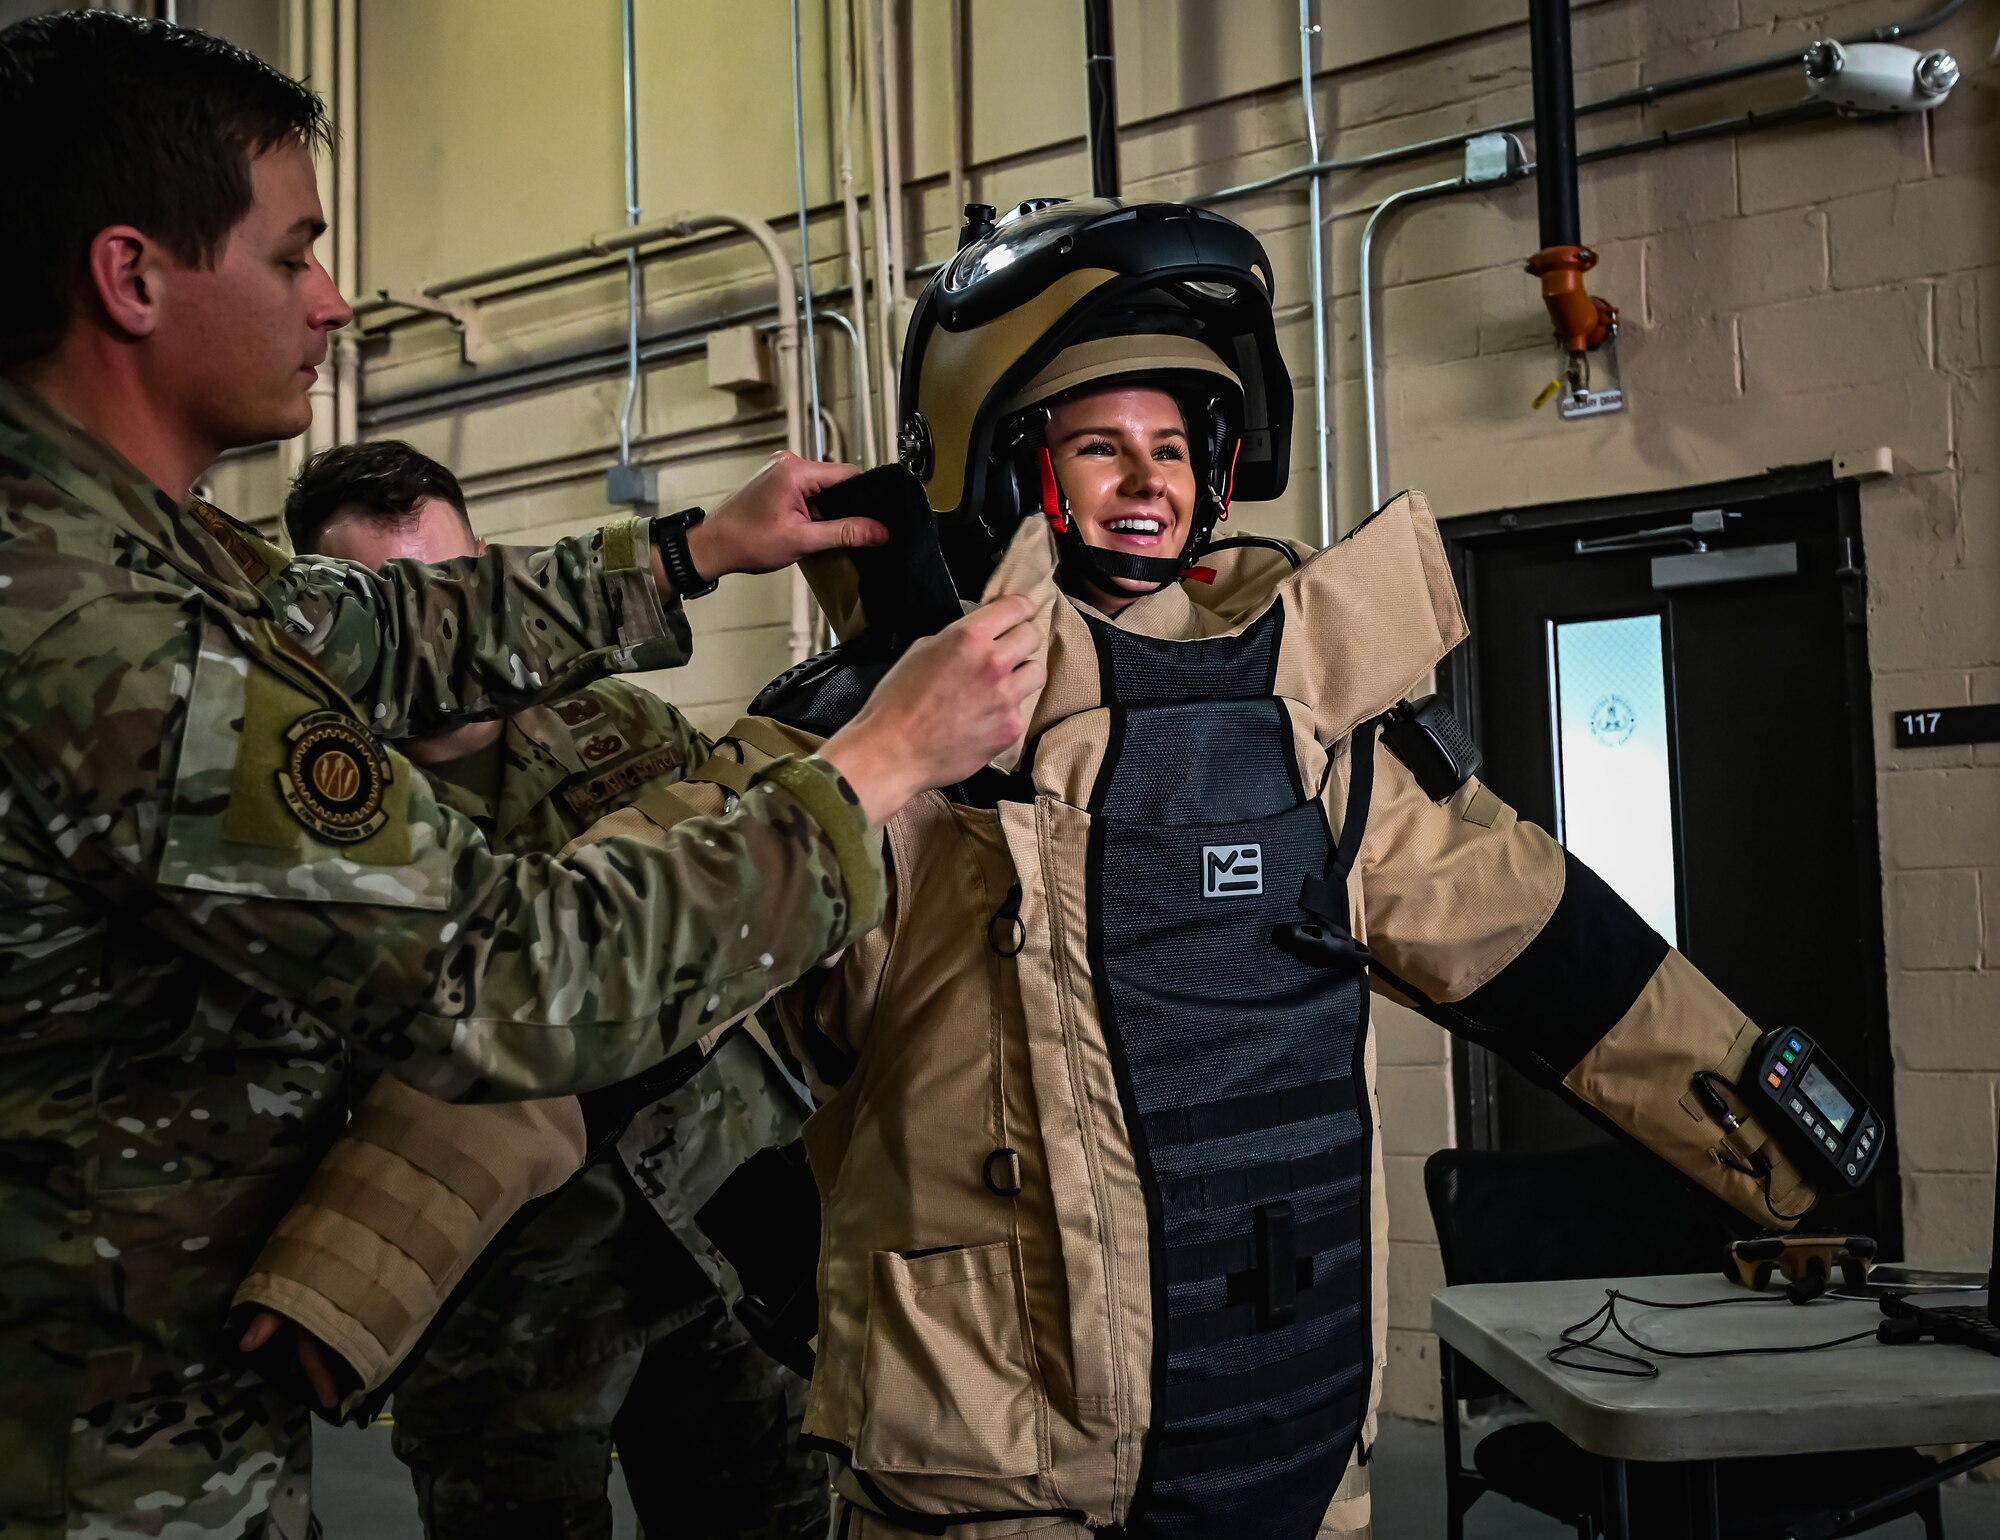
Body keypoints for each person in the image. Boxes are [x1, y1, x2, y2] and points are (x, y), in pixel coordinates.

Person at [596, 197, 1825, 1540]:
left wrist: (1801, 1160)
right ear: (1012, 465)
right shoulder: (879, 742)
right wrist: (339, 1287)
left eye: (1174, 447)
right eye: (1101, 449)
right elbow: (580, 979)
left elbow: (1556, 957)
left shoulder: (1307, 730)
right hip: (998, 1477)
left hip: (1292, 1450)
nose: (1148, 483)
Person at [0, 13, 1041, 1539]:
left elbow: (392, 627)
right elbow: (513, 979)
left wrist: (697, 550)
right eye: (294, 256)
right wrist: (874, 766)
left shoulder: (132, 549)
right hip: (97, 1451)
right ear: (132, 276)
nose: (336, 302)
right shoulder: (104, 640)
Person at [265, 440, 824, 1540]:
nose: (442, 630)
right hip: (497, 1294)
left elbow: (751, 929)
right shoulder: (308, 808)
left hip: (711, 1225)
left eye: (456, 583)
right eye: (394, 604)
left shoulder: (622, 726)